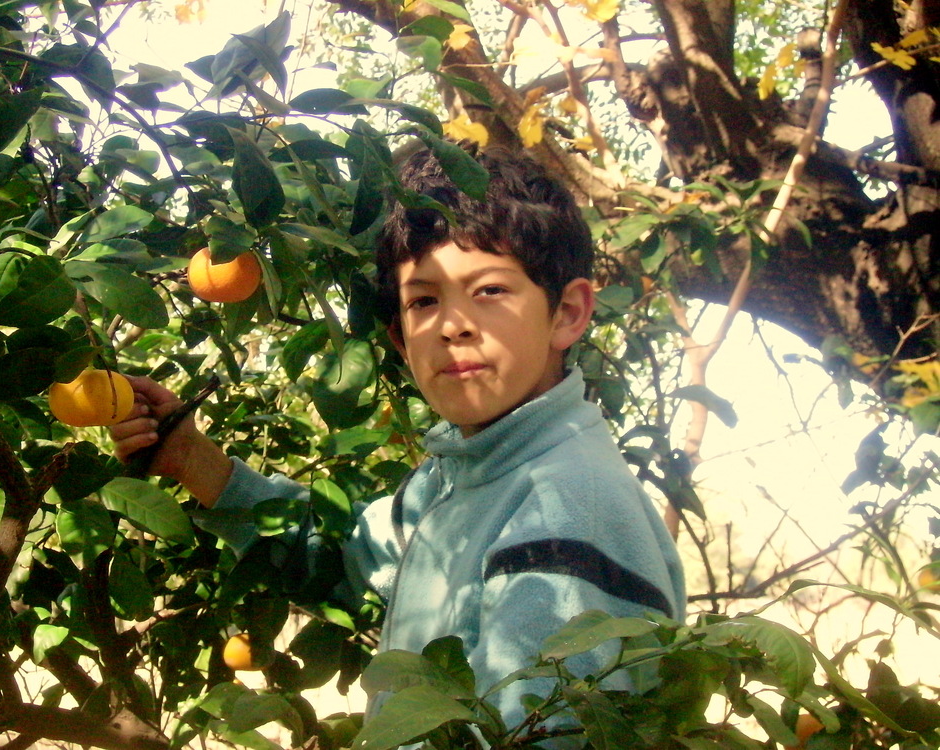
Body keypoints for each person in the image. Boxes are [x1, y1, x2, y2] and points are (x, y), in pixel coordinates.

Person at [111, 143, 686, 744]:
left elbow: (534, 733)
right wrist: (190, 460)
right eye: (424, 301)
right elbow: (343, 562)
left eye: (488, 290)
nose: (451, 324)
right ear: (400, 338)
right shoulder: (460, 476)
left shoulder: (569, 506)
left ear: (568, 312)